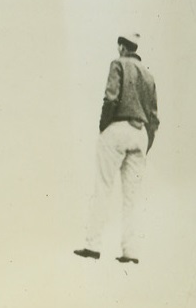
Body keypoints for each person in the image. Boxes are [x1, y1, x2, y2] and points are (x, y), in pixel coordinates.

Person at [74, 32, 159, 264]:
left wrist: (104, 127)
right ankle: (130, 252)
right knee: (132, 198)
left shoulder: (118, 64)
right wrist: (146, 141)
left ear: (122, 47)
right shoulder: (149, 75)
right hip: (140, 133)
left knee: (103, 187)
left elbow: (111, 98)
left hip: (118, 128)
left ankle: (92, 246)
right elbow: (154, 117)